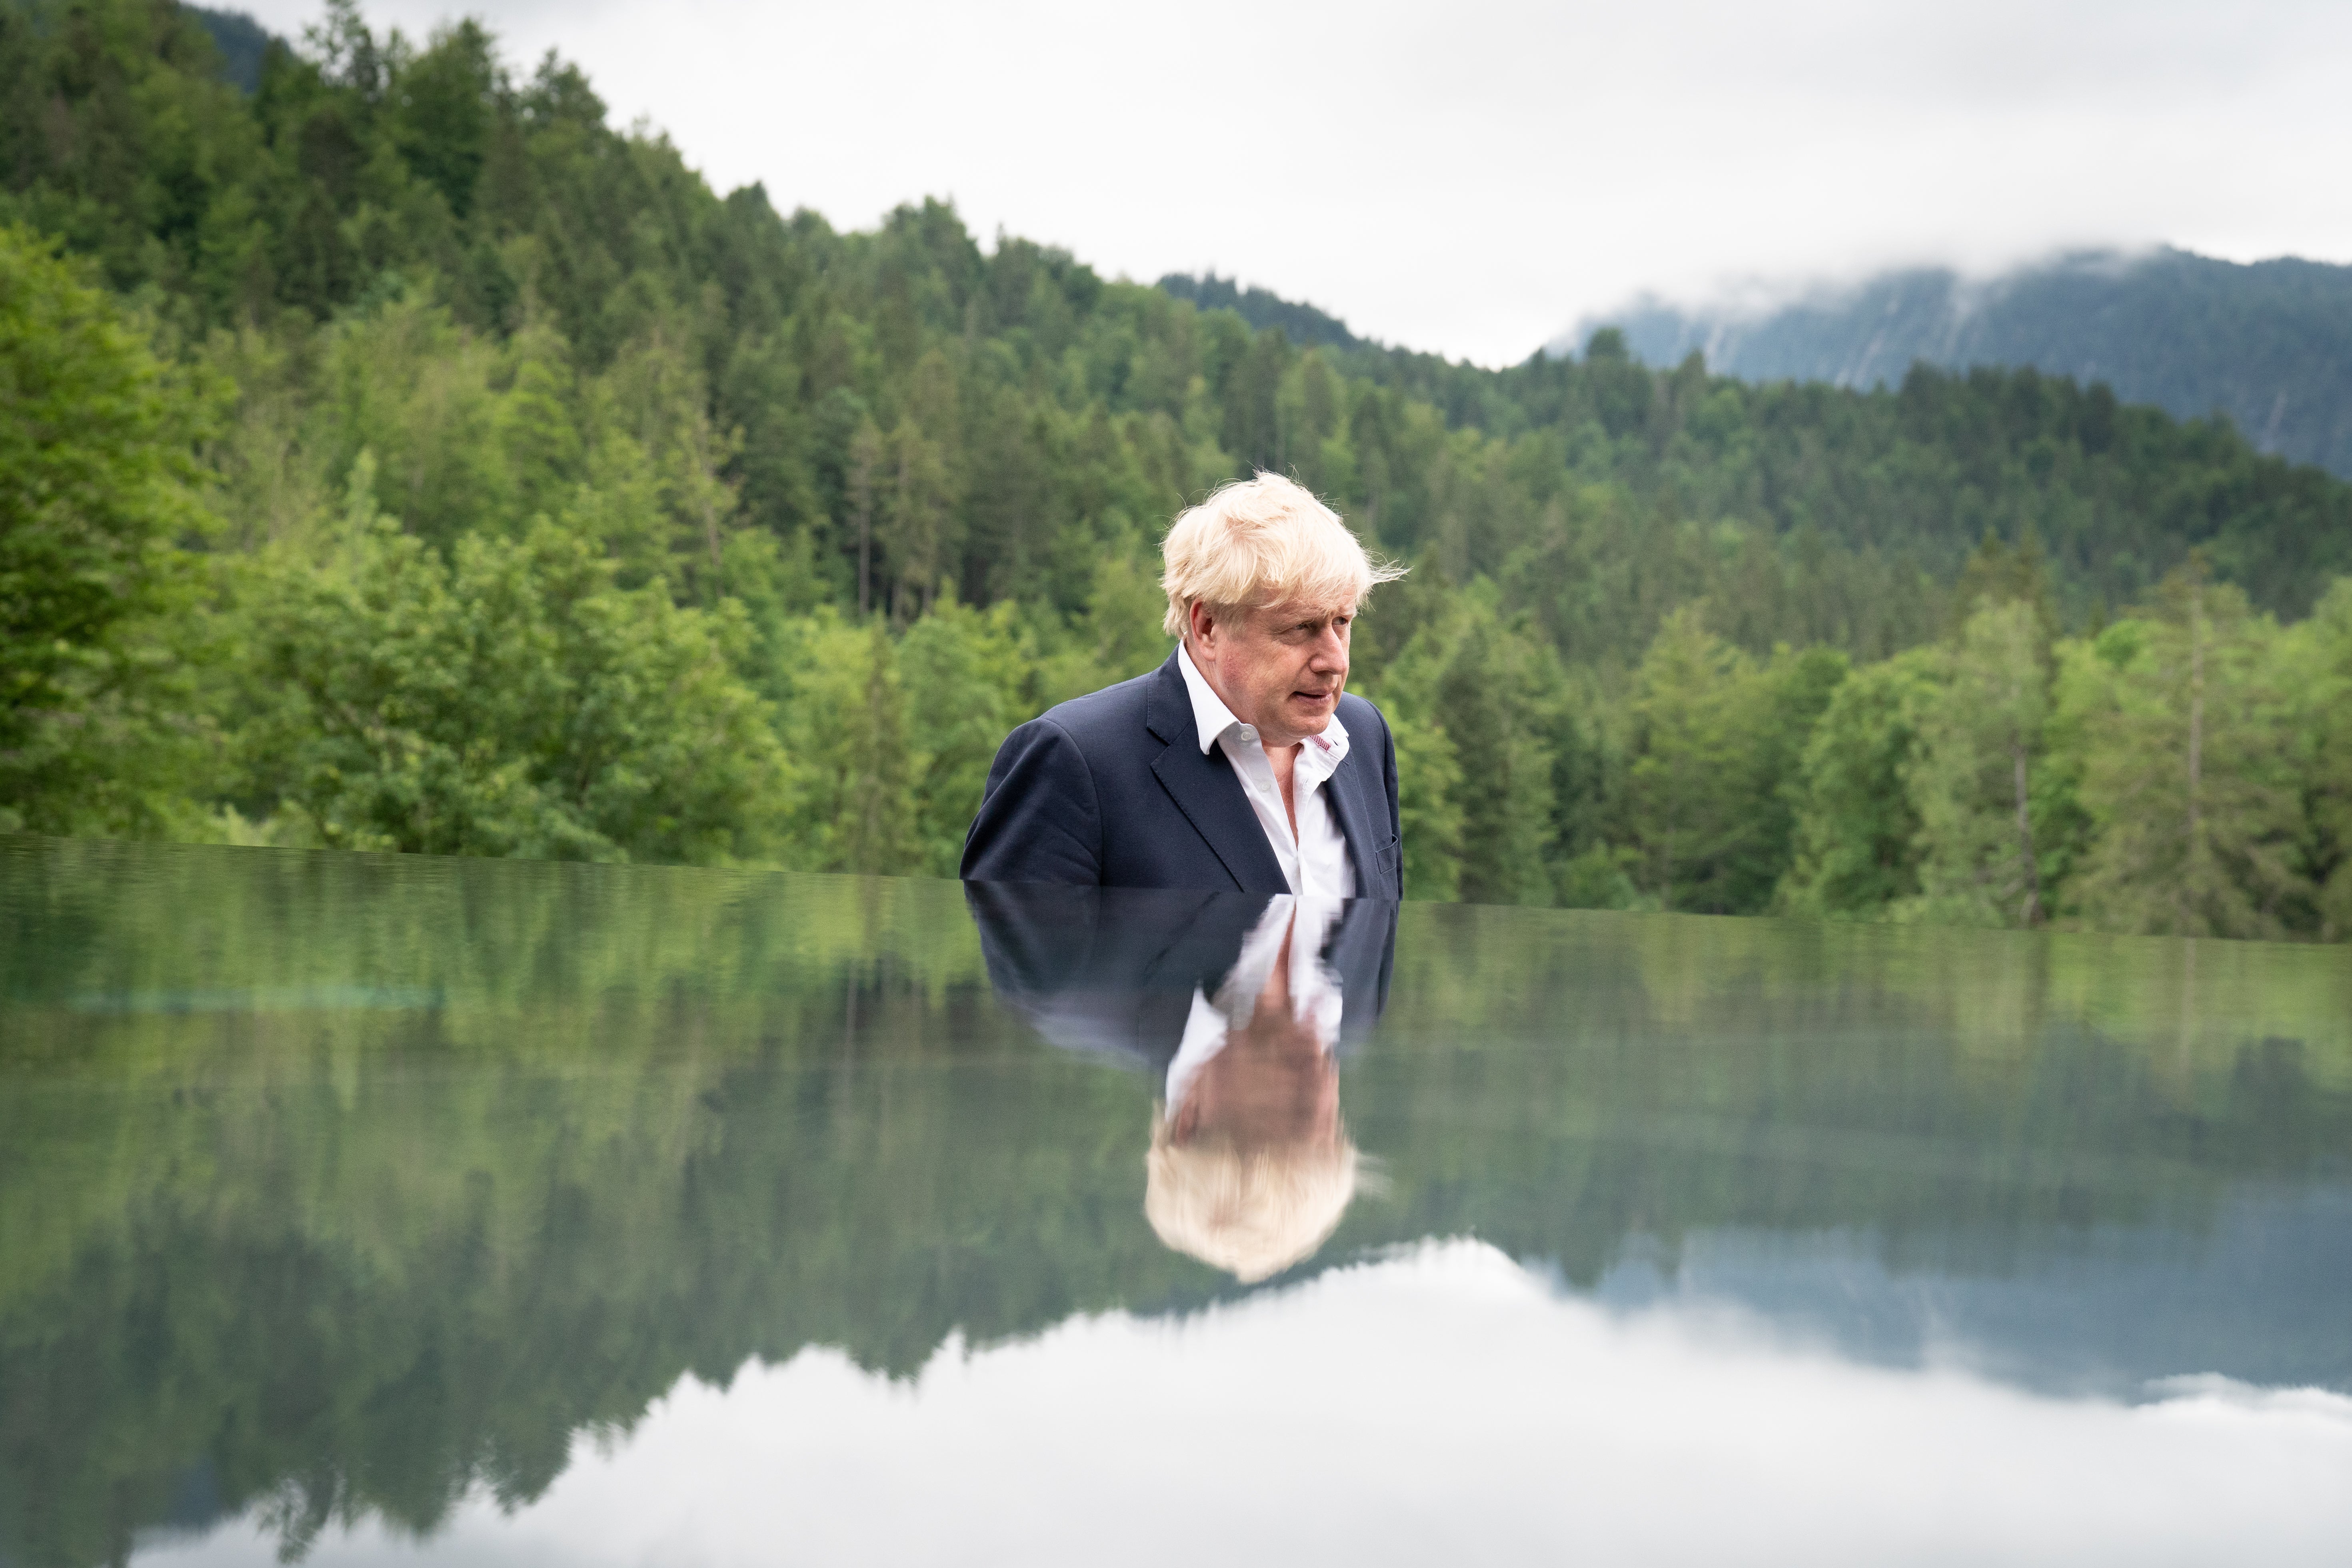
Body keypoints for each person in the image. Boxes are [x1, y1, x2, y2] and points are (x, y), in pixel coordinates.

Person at [959, 474, 1406, 899]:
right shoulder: (1074, 763)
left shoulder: (1363, 735)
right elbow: (1024, 971)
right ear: (1207, 625)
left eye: (1342, 622)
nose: (1335, 661)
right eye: (1300, 627)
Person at [967, 880, 1396, 1282]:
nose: (1322, 1094)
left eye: (1290, 1114)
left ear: (1190, 1116)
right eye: (1332, 1128)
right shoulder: (1360, 1002)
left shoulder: (1073, 984)